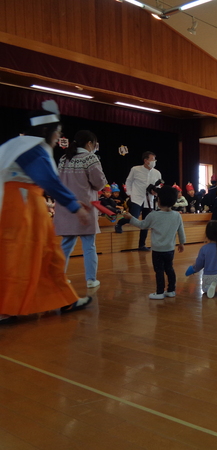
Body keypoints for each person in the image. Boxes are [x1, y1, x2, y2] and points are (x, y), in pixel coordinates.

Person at [0, 100, 93, 324]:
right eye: (56, 132)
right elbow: (48, 180)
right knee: (27, 256)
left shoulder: (14, 145)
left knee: (43, 255)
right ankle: (8, 308)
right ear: (45, 131)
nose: (58, 136)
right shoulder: (34, 149)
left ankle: (63, 299)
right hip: (23, 207)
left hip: (17, 204)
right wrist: (73, 206)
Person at [54, 130, 108, 288]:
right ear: (90, 143)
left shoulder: (63, 158)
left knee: (66, 244)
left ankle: (59, 277)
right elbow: (99, 183)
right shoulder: (90, 158)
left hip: (66, 206)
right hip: (85, 206)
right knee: (89, 245)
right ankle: (91, 279)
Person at [124, 186, 186, 299]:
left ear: (159, 200)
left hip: (157, 250)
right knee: (169, 269)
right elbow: (181, 230)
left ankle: (159, 292)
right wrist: (182, 243)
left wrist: (131, 218)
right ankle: (171, 290)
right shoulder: (177, 215)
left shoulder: (153, 215)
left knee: (159, 271)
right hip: (170, 249)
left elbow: (142, 225)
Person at [115, 151, 162, 251]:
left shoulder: (157, 173)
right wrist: (129, 193)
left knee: (146, 222)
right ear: (146, 160)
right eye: (152, 159)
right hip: (136, 198)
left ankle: (142, 245)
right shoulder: (135, 169)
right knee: (134, 217)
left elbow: (158, 187)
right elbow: (129, 181)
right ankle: (119, 223)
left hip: (149, 200)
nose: (154, 161)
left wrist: (155, 192)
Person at [186, 220, 217, 298]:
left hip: (210, 276)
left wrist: (193, 269)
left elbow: (199, 264)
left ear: (206, 234)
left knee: (205, 288)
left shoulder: (204, 248)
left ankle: (210, 287)